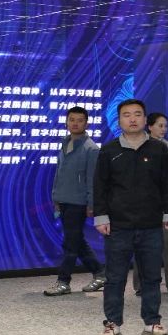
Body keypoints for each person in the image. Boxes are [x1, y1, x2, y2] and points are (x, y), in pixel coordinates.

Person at [92, 99, 168, 335]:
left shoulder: (159, 149)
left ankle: (152, 322)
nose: (132, 119)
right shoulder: (109, 150)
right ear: (119, 120)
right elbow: (100, 187)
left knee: (151, 277)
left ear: (145, 119)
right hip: (118, 226)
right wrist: (101, 216)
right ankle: (112, 324)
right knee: (115, 277)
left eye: (138, 114)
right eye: (127, 115)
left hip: (151, 224)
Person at [45, 106, 105, 296]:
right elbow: (59, 174)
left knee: (70, 243)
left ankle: (64, 281)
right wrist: (55, 197)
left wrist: (91, 204)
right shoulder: (65, 143)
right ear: (66, 122)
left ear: (86, 124)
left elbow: (92, 179)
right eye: (72, 119)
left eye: (80, 120)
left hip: (79, 202)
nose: (75, 123)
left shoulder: (91, 148)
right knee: (76, 240)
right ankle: (100, 274)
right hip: (63, 199)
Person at [138, 112, 168, 295]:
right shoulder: (138, 144)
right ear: (149, 126)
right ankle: (141, 285)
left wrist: (165, 180)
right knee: (142, 243)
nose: (163, 129)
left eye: (166, 126)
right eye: (160, 125)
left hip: (164, 201)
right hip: (142, 202)